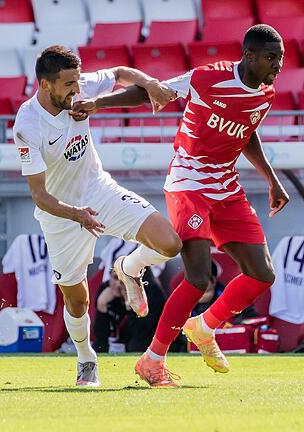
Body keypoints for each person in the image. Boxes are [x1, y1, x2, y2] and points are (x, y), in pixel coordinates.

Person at [73, 24, 289, 387]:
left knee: (262, 274)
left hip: (226, 186)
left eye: (281, 59)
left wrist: (271, 178)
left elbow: (246, 130)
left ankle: (203, 327)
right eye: (271, 57)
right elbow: (151, 93)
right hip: (188, 181)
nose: (278, 65)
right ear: (248, 55)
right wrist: (98, 103)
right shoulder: (207, 78)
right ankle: (152, 360)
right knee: (198, 275)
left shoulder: (265, 95)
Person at [12, 45, 183, 387]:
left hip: (99, 191)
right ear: (45, 85)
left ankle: (128, 268)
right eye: (68, 85)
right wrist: (76, 214)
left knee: (170, 243)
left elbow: (120, 73)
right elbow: (39, 195)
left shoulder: (81, 86)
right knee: (78, 300)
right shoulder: (27, 124)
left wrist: (150, 83)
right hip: (62, 214)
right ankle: (86, 358)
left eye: (78, 82)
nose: (77, 90)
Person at [93, 268, 165, 353]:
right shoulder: (106, 289)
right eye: (115, 278)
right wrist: (101, 307)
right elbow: (100, 336)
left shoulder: (151, 292)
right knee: (98, 345)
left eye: (123, 280)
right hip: (117, 342)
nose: (118, 284)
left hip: (147, 342)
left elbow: (141, 333)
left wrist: (130, 305)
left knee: (136, 345)